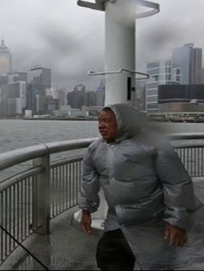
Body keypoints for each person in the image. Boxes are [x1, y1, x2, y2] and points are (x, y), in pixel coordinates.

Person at [78, 103, 199, 270]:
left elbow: (176, 183)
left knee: (157, 263)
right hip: (117, 221)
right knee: (108, 256)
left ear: (123, 122)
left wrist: (176, 220)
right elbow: (88, 180)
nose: (101, 125)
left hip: (152, 221)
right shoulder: (95, 149)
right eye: (99, 120)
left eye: (106, 121)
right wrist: (86, 209)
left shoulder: (152, 146)